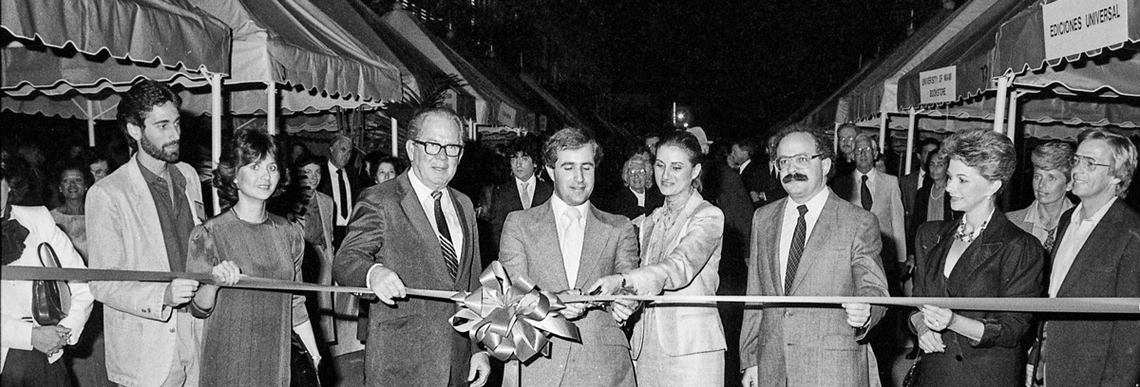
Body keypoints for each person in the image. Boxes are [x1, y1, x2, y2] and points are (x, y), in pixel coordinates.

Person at [333, 107, 490, 387]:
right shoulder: (380, 199)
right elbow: (346, 259)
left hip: (457, 364)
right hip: (400, 365)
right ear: (411, 148)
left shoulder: (465, 205)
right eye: (432, 145)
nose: (442, 157)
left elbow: (474, 285)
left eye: (452, 147)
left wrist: (479, 349)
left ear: (461, 154)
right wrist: (373, 273)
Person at [740, 124, 889, 387]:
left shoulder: (859, 222)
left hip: (831, 368)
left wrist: (866, 310)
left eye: (802, 159)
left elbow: (874, 289)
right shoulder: (763, 218)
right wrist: (750, 358)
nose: (791, 169)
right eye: (783, 161)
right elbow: (755, 295)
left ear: (826, 165)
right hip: (773, 364)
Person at [87, 79, 209, 387]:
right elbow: (103, 283)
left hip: (198, 332)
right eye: (163, 126)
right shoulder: (108, 194)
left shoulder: (189, 176)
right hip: (149, 347)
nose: (176, 135)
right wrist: (162, 296)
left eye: (177, 123)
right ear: (134, 130)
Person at [498, 127, 638, 387]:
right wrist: (556, 300)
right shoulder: (519, 224)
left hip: (604, 367)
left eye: (587, 167)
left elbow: (629, 284)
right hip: (538, 364)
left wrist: (626, 303)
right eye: (568, 167)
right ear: (550, 171)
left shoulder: (620, 227)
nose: (579, 178)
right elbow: (511, 295)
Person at [908, 128, 1044, 387]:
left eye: (962, 180)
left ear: (993, 185)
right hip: (934, 374)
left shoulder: (1020, 247)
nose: (949, 187)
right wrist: (922, 327)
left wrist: (954, 321)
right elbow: (917, 305)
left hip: (985, 377)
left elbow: (1014, 328)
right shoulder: (930, 236)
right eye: (949, 177)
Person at [185, 129, 319, 386]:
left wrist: (314, 356)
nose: (265, 176)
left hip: (276, 358)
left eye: (271, 167)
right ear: (234, 175)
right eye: (255, 166)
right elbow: (197, 309)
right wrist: (214, 283)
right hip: (229, 360)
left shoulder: (289, 233)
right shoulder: (208, 234)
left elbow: (296, 303)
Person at [592, 131, 725, 386]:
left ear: (695, 171)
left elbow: (678, 267)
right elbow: (645, 283)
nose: (665, 175)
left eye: (677, 167)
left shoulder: (708, 216)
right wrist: (627, 303)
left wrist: (622, 280)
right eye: (660, 165)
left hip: (692, 352)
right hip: (645, 349)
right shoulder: (650, 221)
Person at [1031, 129, 1140, 387]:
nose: (1077, 171)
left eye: (1090, 164)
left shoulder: (1131, 233)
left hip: (1091, 373)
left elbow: (1131, 331)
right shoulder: (1069, 219)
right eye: (1076, 161)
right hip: (1050, 365)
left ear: (1117, 175)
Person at [2, 159, 95, 387]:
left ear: (7, 184)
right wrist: (29, 335)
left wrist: (66, 330)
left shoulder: (38, 219)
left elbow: (81, 281)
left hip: (44, 357)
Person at [835, 134, 908, 279]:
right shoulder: (842, 184)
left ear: (875, 154)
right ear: (852, 156)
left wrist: (901, 258)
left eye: (867, 149)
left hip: (884, 255)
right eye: (858, 150)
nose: (862, 153)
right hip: (851, 256)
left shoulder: (891, 182)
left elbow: (897, 222)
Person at [1006, 142, 1075, 252]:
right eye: (1037, 176)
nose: (1041, 184)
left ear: (1069, 184)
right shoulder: (1010, 222)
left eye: (1051, 178)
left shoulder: (1083, 223)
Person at [488, 135, 554, 249]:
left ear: (535, 163)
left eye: (524, 159)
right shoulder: (501, 192)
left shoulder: (549, 191)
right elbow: (496, 230)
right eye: (514, 159)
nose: (518, 164)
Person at [318, 135, 358, 249]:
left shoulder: (353, 174)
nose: (346, 156)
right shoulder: (320, 173)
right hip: (328, 232)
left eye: (349, 152)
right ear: (331, 149)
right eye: (343, 150)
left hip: (349, 232)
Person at [597, 152, 664, 221]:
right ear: (627, 176)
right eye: (631, 172)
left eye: (641, 172)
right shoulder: (618, 201)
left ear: (647, 176)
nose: (636, 176)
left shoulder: (658, 198)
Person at [49, 165, 93, 261]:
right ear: (60, 188)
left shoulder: (96, 216)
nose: (72, 184)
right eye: (66, 181)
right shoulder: (50, 218)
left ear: (86, 186)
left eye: (78, 180)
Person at [900, 138, 942, 226]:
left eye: (934, 152)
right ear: (919, 155)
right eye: (927, 152)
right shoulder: (905, 181)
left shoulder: (943, 181)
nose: (931, 155)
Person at [731, 138, 782, 207]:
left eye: (777, 145)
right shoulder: (759, 169)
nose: (774, 149)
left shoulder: (786, 168)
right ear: (767, 149)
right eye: (771, 146)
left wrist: (762, 196)